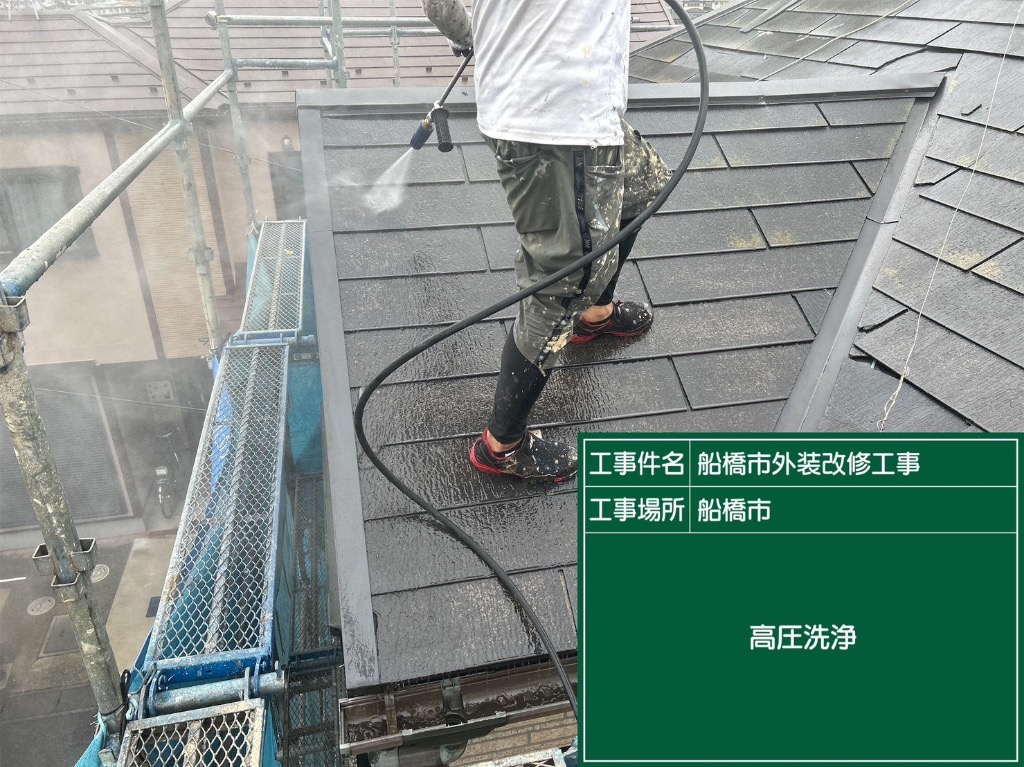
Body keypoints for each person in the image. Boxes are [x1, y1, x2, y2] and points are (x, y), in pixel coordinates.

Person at [422, 0, 670, 483]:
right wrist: (480, 38)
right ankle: (502, 445)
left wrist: (472, 35)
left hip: (582, 105)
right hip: (554, 125)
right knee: (564, 282)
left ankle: (595, 313)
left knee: (640, 188)